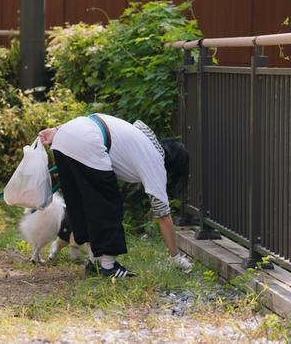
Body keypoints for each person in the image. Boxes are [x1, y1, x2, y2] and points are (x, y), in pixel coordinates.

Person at [38, 113, 192, 278]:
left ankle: (94, 261)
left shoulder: (143, 138)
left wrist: (57, 130)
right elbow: (162, 213)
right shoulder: (155, 162)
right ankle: (109, 267)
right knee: (108, 205)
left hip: (65, 134)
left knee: (83, 204)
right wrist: (176, 256)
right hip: (88, 142)